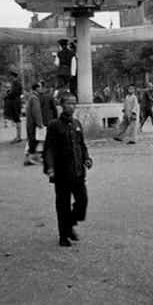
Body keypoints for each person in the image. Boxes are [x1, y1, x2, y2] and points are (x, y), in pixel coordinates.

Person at [43, 94, 92, 247]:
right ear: (61, 104)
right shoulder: (54, 125)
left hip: (78, 172)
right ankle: (63, 235)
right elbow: (49, 149)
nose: (71, 106)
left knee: (82, 201)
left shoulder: (77, 124)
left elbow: (81, 145)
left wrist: (87, 158)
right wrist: (50, 168)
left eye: (73, 103)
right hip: (62, 174)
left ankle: (69, 224)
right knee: (63, 205)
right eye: (68, 103)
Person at [23, 80, 58, 165]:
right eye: (39, 87)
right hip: (35, 124)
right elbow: (36, 112)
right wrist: (40, 123)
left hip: (30, 123)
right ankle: (36, 156)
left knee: (31, 140)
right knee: (40, 140)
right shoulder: (35, 98)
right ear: (37, 88)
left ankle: (27, 158)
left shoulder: (31, 97)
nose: (41, 88)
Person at [6, 70, 23, 143]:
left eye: (10, 76)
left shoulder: (17, 84)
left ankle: (19, 136)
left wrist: (8, 95)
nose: (9, 77)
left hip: (15, 102)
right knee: (16, 119)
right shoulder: (15, 83)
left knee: (17, 118)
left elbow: (13, 93)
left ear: (13, 76)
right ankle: (18, 136)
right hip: (14, 102)